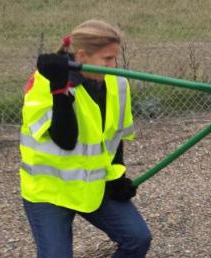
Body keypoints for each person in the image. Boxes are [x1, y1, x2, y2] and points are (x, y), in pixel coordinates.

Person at [19, 19, 152, 258]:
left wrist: (117, 176)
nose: (114, 65)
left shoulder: (117, 83)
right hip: (50, 191)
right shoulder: (45, 81)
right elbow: (65, 140)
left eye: (115, 58)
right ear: (82, 56)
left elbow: (115, 137)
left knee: (138, 238)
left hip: (92, 185)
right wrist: (59, 90)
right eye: (107, 59)